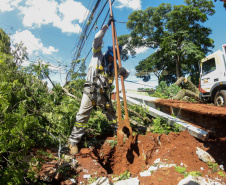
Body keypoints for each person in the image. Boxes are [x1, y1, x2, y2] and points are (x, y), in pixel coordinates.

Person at [68, 17, 130, 155]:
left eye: (114, 58)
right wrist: (106, 27)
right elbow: (96, 39)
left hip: (104, 94)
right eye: (111, 56)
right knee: (82, 116)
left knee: (112, 114)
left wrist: (123, 71)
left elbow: (127, 74)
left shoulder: (115, 66)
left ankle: (118, 133)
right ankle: (73, 141)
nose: (111, 59)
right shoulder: (97, 55)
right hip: (91, 91)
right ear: (108, 53)